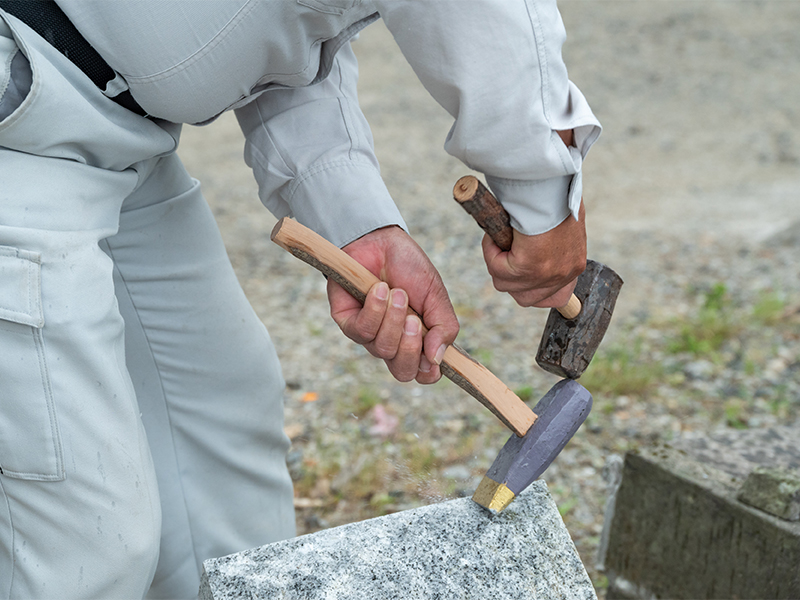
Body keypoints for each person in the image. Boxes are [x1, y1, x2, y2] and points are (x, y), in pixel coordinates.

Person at [0, 1, 600, 598]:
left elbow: (283, 27)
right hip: (19, 116)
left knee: (222, 441)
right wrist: (544, 188)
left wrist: (353, 218)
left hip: (115, 130)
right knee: (89, 536)